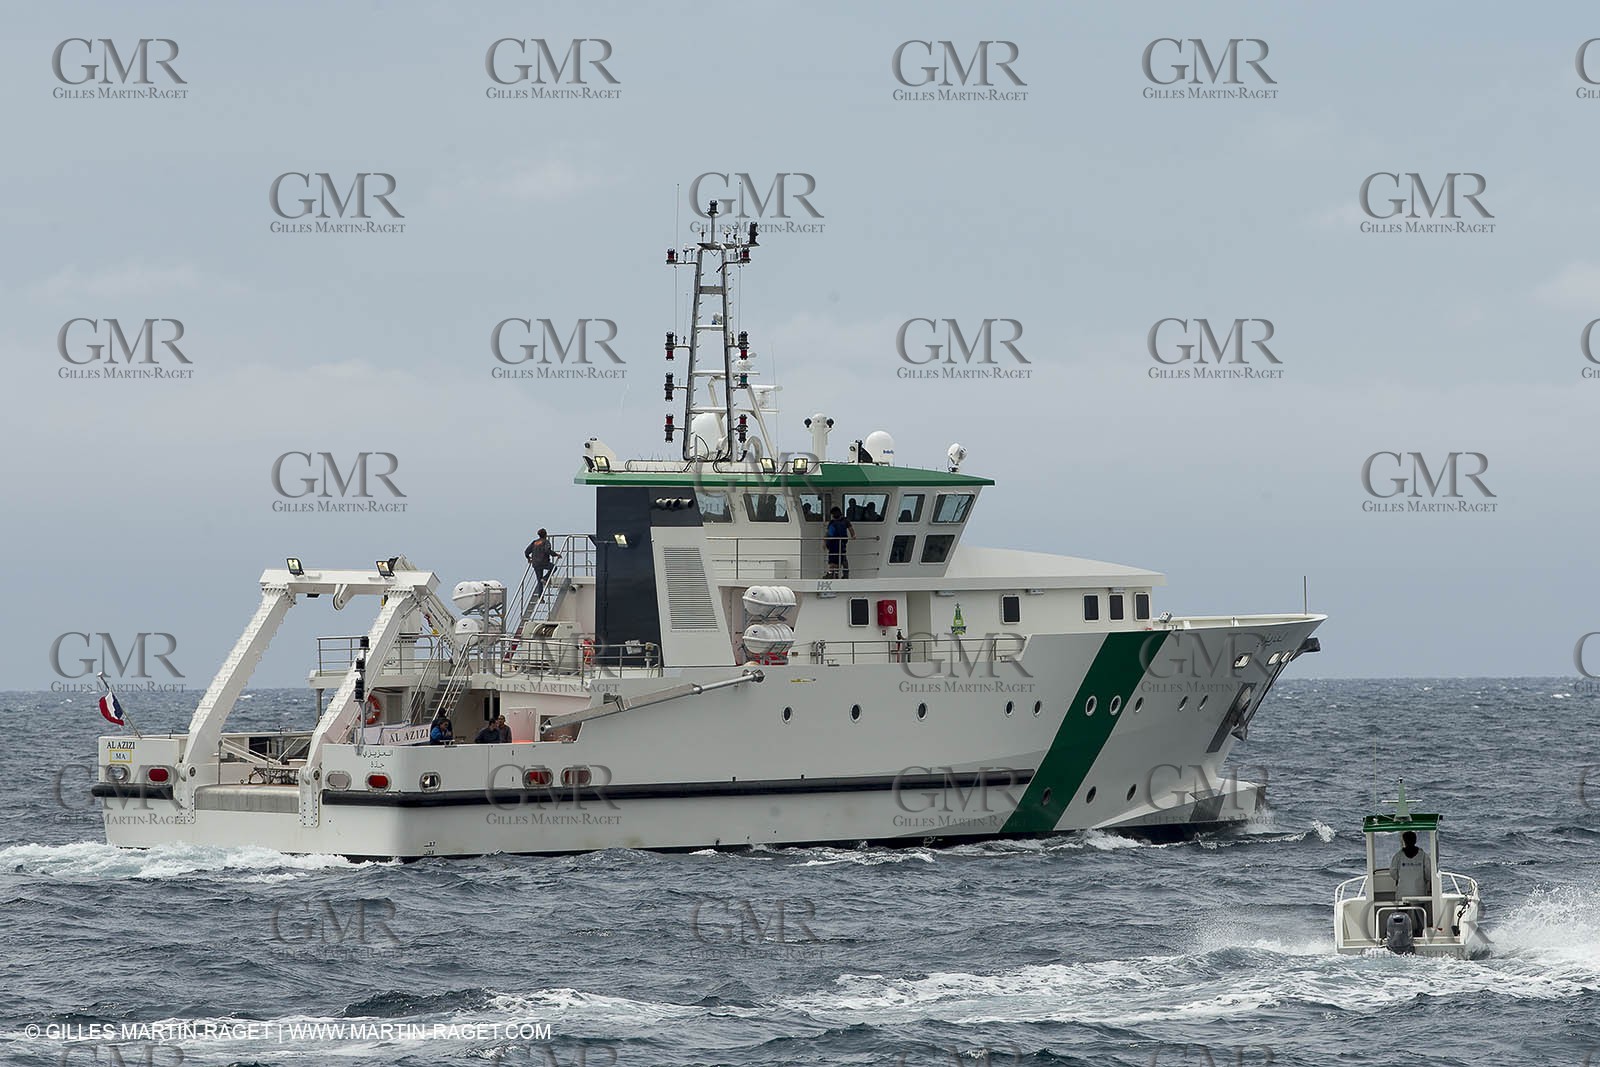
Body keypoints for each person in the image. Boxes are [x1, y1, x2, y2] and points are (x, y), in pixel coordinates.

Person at [1389, 830, 1432, 931]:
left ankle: (1399, 933)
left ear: (1404, 841)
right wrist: (1425, 880)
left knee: (1401, 916)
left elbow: (1393, 872)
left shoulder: (1398, 856)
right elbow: (1428, 873)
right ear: (1415, 840)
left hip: (1403, 892)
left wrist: (1398, 879)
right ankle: (1422, 933)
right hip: (1419, 891)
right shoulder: (1424, 855)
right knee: (1421, 917)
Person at [524, 528, 561, 597]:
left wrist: (528, 558)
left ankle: (540, 597)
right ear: (546, 534)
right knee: (554, 568)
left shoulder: (534, 542)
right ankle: (545, 578)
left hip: (535, 563)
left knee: (539, 580)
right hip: (543, 562)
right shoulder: (546, 542)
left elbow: (526, 552)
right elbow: (547, 550)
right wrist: (556, 554)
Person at [825, 506, 855, 579]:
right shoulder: (832, 522)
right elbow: (827, 533)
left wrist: (853, 535)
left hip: (841, 543)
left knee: (842, 559)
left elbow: (850, 528)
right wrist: (825, 542)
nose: (833, 515)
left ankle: (844, 574)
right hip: (833, 544)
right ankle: (832, 573)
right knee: (833, 560)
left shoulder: (845, 521)